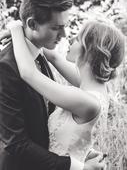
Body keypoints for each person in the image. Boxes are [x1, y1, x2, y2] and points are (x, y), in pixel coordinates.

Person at [0, 0, 105, 170]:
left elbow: (46, 122)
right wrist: (77, 167)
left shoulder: (40, 53)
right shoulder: (6, 66)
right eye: (57, 28)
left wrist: (79, 151)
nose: (64, 35)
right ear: (32, 24)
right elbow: (16, 143)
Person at [9, 19, 125, 169]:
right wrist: (29, 33)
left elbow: (28, 73)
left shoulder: (85, 101)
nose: (69, 39)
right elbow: (54, 57)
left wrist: (16, 29)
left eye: (77, 38)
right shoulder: (95, 88)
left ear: (89, 51)